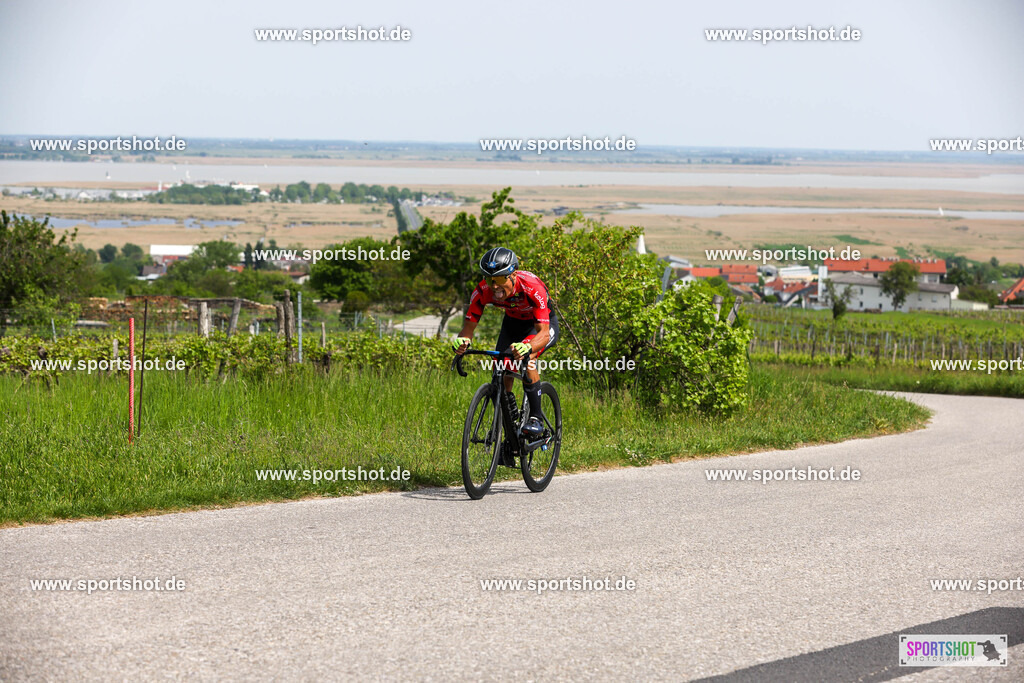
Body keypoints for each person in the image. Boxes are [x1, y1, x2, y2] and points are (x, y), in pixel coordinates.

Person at [452, 246, 558, 445]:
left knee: (527, 360)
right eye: (488, 279)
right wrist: (462, 342)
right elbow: (467, 330)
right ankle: (510, 424)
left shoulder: (531, 287)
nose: (494, 286)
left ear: (513, 275)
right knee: (501, 365)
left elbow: (543, 333)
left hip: (541, 324)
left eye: (500, 279)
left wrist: (528, 348)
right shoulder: (483, 290)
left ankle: (536, 418)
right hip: (513, 323)